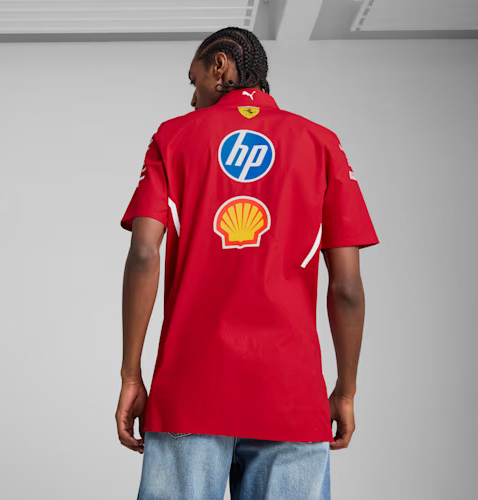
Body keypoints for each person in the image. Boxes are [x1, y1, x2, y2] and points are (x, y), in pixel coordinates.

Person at [115, 26, 379, 500]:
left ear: (219, 66)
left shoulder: (173, 137)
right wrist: (345, 390)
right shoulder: (321, 143)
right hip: (291, 396)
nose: (192, 97)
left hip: (189, 390)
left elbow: (144, 253)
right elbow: (346, 288)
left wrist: (131, 374)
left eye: (193, 79)